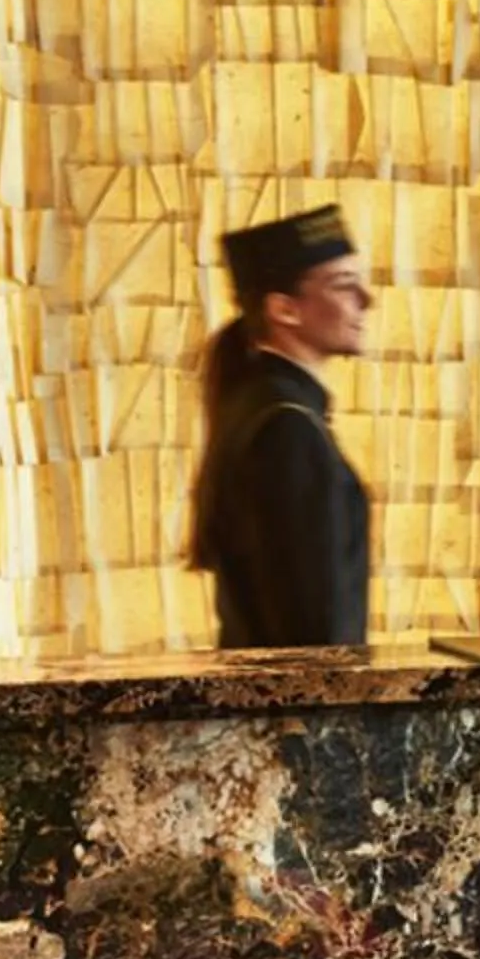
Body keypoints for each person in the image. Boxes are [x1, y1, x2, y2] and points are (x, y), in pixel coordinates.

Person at [188, 205, 375, 647]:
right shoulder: (287, 428)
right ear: (284, 309)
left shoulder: (262, 405)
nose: (367, 299)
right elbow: (312, 634)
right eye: (343, 284)